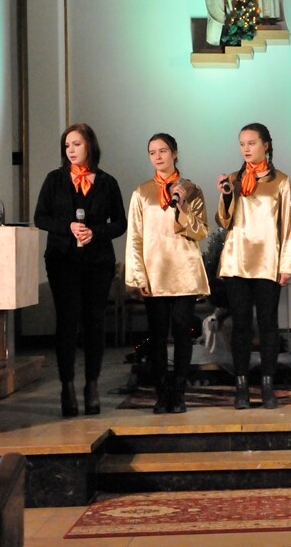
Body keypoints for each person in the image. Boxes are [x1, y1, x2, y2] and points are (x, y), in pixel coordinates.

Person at [34, 123, 126, 417]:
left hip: (98, 261)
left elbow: (120, 223)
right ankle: (67, 386)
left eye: (77, 144)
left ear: (90, 146)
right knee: (67, 321)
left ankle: (92, 386)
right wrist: (68, 226)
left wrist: (95, 232)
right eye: (67, 145)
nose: (71, 150)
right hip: (62, 259)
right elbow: (40, 217)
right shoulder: (54, 179)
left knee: (94, 322)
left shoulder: (107, 182)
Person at [125, 133, 209, 415]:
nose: (158, 156)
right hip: (155, 273)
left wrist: (182, 207)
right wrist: (138, 276)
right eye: (152, 152)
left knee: (183, 332)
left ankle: (180, 389)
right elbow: (135, 237)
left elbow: (200, 231)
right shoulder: (141, 192)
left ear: (174, 153)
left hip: (184, 270)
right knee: (157, 335)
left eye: (163, 151)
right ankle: (162, 392)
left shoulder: (191, 189)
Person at [217, 123, 291, 409]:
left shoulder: (281, 181)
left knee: (268, 325)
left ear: (266, 145)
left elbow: (287, 226)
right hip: (237, 260)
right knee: (240, 324)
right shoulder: (233, 179)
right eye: (242, 144)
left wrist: (287, 264)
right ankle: (241, 386)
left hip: (267, 262)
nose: (246, 149)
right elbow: (224, 221)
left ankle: (267, 385)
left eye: (251, 143)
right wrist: (227, 195)